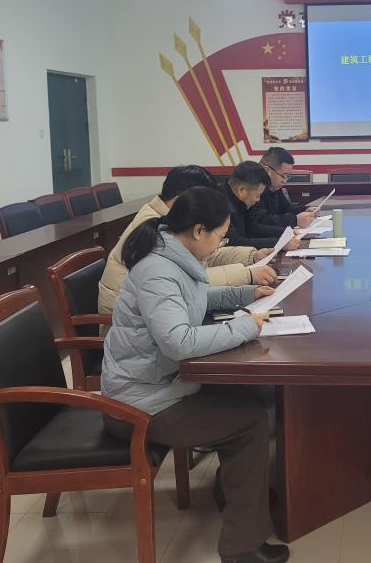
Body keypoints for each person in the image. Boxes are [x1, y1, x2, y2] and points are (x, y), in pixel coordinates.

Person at [101, 186, 289, 563]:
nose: (222, 243)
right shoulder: (158, 271)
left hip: (160, 386)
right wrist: (246, 327)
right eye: (220, 236)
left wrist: (246, 294)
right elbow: (179, 342)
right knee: (251, 424)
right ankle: (241, 548)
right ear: (199, 230)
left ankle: (238, 493)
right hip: (139, 405)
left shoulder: (175, 255)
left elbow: (195, 299)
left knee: (247, 396)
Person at [99, 165, 278, 318]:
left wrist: (250, 256)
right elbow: (189, 281)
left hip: (157, 314)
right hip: (131, 325)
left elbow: (205, 256)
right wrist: (247, 275)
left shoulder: (170, 223)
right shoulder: (154, 230)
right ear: (180, 202)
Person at [221, 161, 299, 249]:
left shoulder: (241, 201)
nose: (258, 200)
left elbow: (253, 229)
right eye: (257, 195)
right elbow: (235, 242)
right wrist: (279, 244)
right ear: (242, 190)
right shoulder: (219, 205)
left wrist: (285, 233)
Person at [250, 147, 316, 230]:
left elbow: (286, 208)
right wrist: (294, 220)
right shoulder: (252, 186)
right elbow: (261, 221)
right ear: (267, 170)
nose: (285, 181)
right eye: (283, 175)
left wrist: (305, 209)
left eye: (287, 176)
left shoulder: (274, 186)